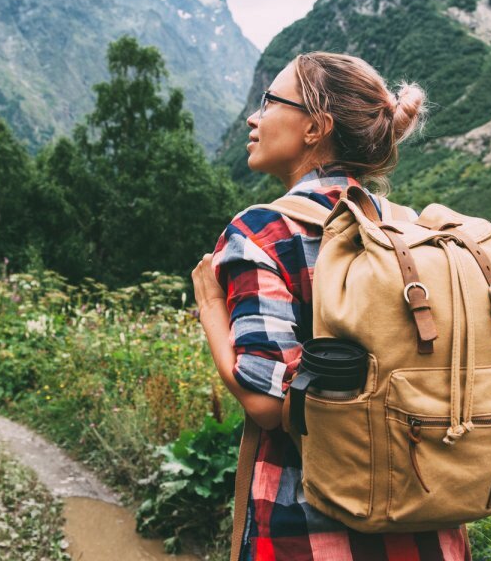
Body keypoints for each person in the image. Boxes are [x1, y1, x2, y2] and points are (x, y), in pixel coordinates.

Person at [191, 52, 471, 561]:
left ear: (315, 127)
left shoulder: (262, 232)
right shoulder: (413, 231)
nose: (254, 118)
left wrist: (210, 308)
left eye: (269, 101)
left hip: (314, 533)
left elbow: (268, 406)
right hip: (432, 525)